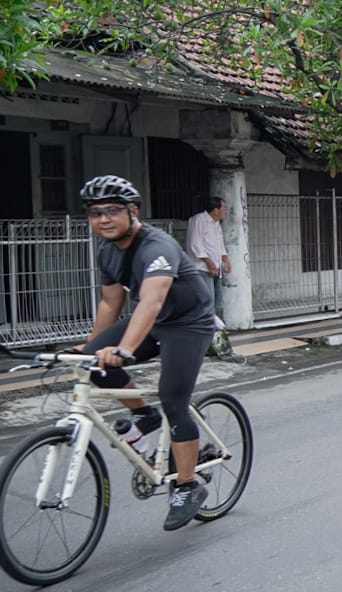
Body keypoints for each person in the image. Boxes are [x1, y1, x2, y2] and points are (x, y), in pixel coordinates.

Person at [77, 175, 217, 531]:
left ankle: (187, 485)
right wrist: (91, 347)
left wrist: (124, 348)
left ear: (133, 212)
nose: (104, 219)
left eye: (112, 211)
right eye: (95, 213)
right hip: (153, 321)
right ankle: (144, 415)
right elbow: (111, 303)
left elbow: (152, 301)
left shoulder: (157, 247)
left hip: (187, 323)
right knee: (92, 363)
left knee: (173, 398)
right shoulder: (107, 250)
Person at [186, 197, 232, 319]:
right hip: (202, 267)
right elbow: (195, 244)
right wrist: (209, 262)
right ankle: (207, 325)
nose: (226, 210)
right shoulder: (199, 220)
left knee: (217, 299)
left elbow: (219, 244)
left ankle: (215, 324)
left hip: (215, 266)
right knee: (207, 299)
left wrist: (225, 258)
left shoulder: (216, 224)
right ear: (216, 210)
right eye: (224, 208)